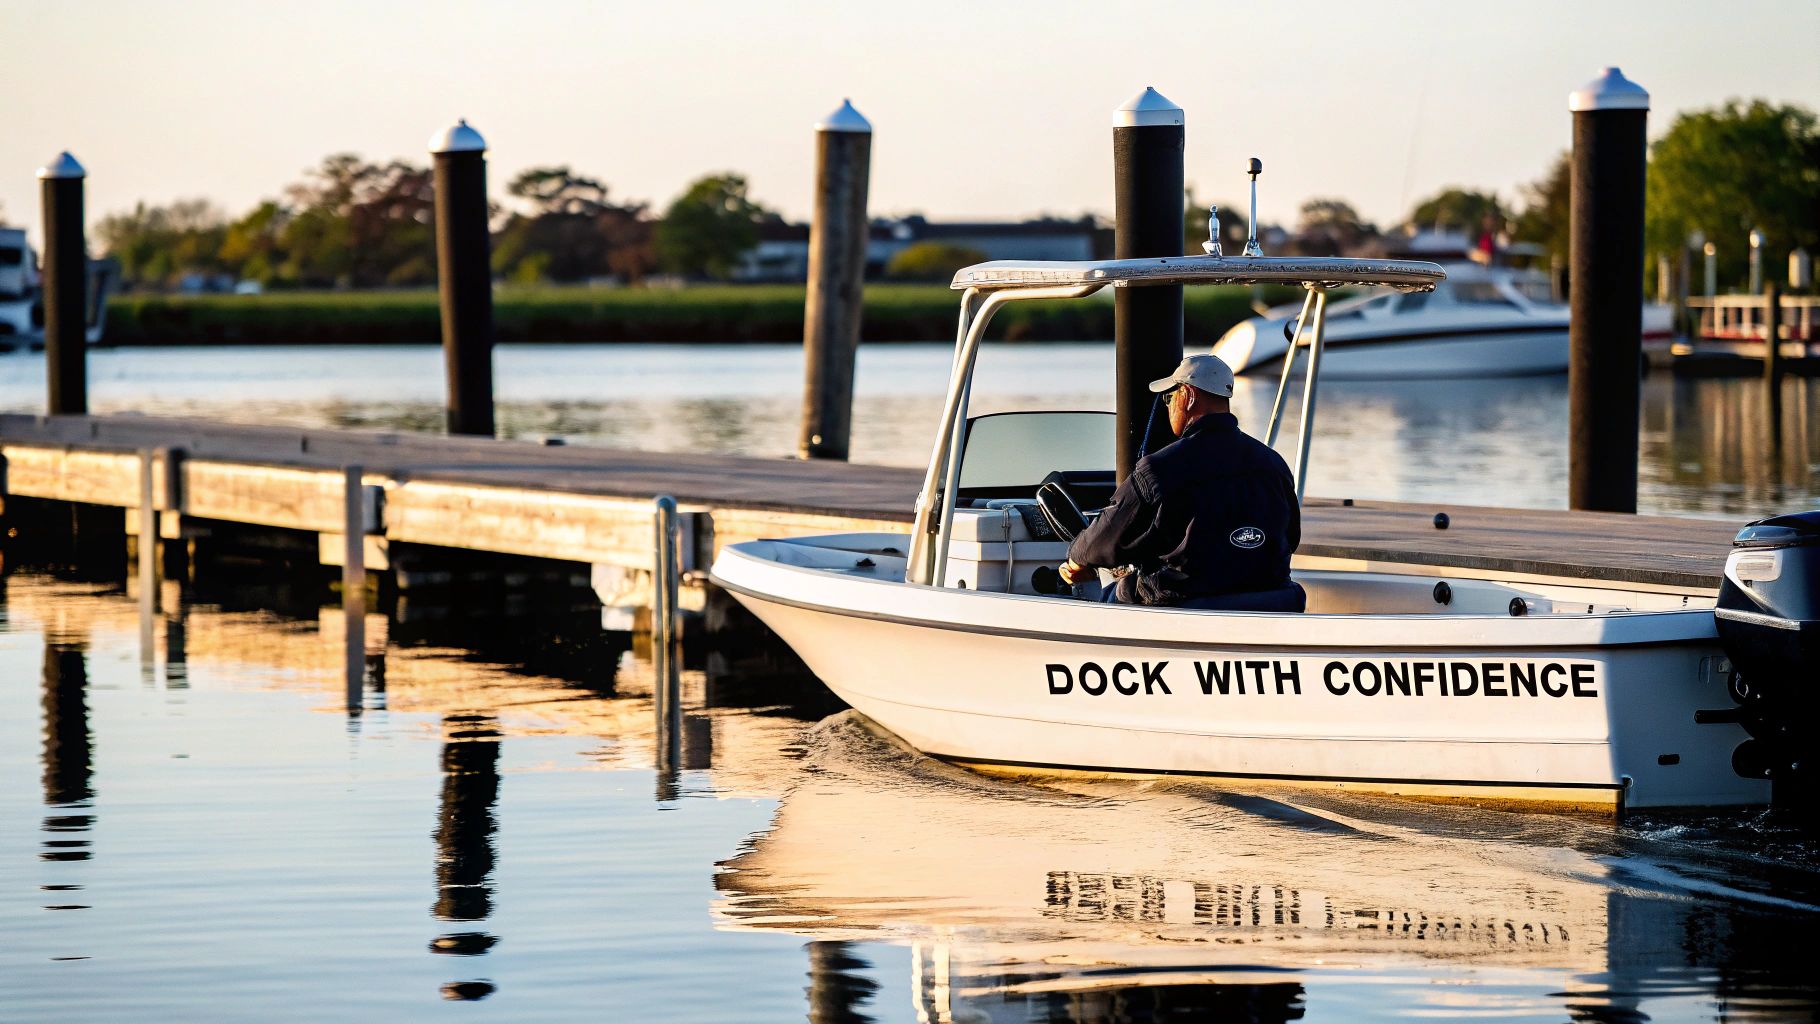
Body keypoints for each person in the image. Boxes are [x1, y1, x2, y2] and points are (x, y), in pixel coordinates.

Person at [1058, 353, 1304, 611]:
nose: (1168, 406)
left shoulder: (1159, 468)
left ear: (1187, 396)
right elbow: (1291, 537)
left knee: (1110, 595)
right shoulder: (1273, 464)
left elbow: (1104, 540)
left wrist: (1076, 560)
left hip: (1187, 606)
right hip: (1271, 603)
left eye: (1169, 397)